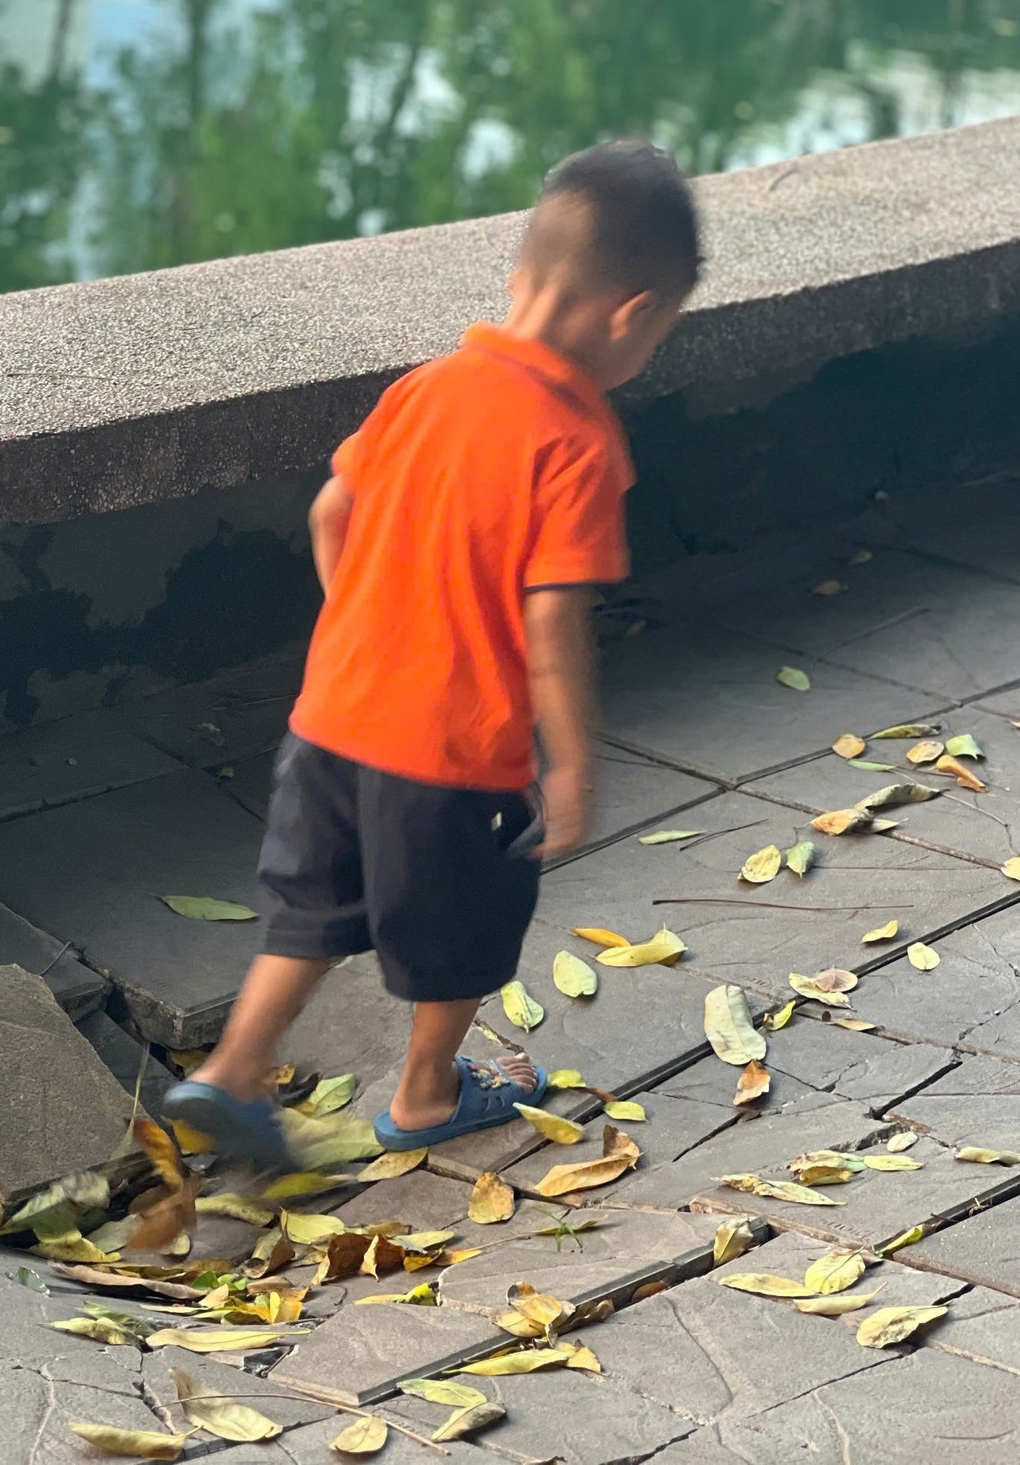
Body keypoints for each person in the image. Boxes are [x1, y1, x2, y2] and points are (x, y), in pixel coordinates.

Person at [164, 140, 701, 1164]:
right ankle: (423, 1091)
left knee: (311, 909)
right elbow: (550, 619)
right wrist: (576, 763)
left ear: (519, 276)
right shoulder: (576, 443)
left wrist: (369, 624)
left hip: (334, 717)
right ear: (635, 315)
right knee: (464, 924)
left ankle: (230, 1068)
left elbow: (332, 511)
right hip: (452, 757)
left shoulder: (423, 387)